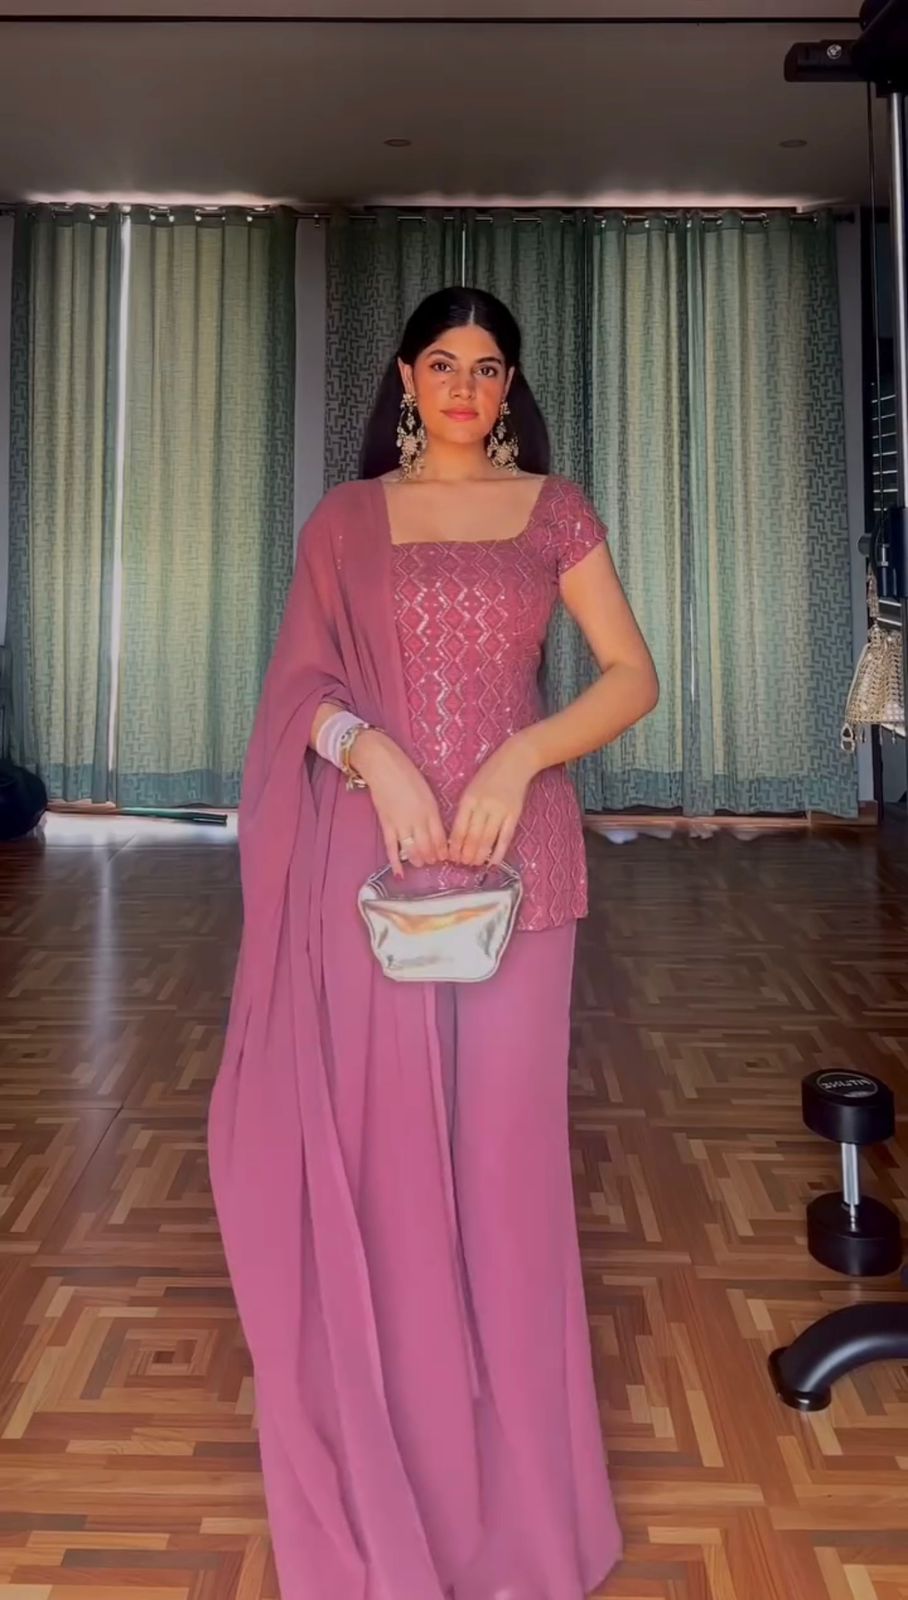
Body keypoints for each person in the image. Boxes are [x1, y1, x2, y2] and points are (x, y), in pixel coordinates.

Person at [208, 287, 658, 1600]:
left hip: (525, 875)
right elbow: (298, 693)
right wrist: (375, 753)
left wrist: (523, 753)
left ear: (512, 387)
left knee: (506, 1180)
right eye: (445, 364)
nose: (467, 387)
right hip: (374, 878)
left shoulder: (554, 511)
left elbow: (632, 675)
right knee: (391, 1175)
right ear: (406, 379)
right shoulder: (346, 522)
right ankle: (400, 1483)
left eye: (490, 367)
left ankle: (522, 1517)